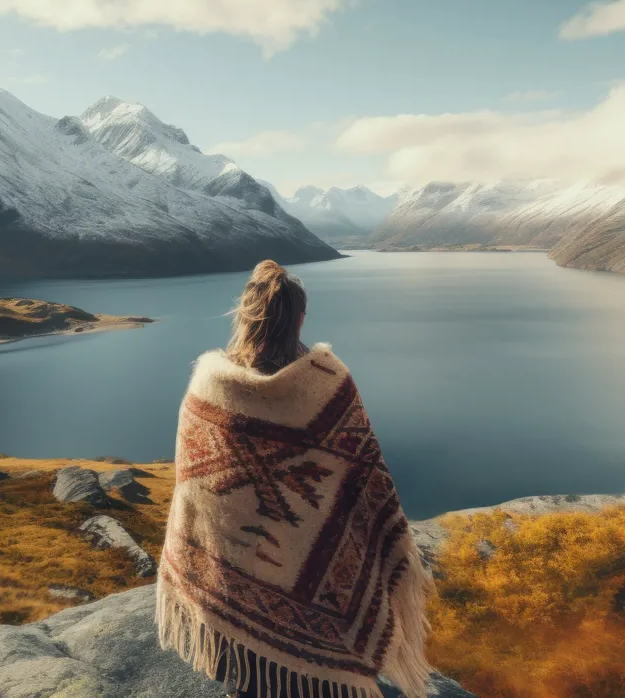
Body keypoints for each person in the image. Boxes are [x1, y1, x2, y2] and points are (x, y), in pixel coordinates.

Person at [157, 260, 434, 698]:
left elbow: (193, 489)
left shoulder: (209, 384)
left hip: (231, 582)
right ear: (301, 317)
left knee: (247, 683)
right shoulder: (328, 382)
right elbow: (365, 477)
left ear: (244, 314)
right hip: (318, 610)